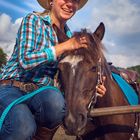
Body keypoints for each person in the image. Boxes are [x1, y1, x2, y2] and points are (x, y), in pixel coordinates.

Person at [0, 0, 106, 139]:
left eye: (74, 1)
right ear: (51, 1)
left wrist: (94, 87)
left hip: (43, 93)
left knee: (56, 102)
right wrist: (65, 46)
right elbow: (25, 60)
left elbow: (72, 75)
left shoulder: (69, 37)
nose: (69, 4)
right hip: (13, 87)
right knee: (23, 125)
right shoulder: (34, 20)